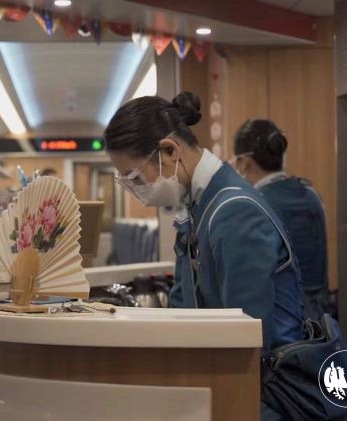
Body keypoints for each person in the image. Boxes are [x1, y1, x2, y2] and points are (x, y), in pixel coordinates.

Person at [104, 93, 305, 420]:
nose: (138, 192)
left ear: (170, 151)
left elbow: (248, 339)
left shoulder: (234, 211)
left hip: (265, 395)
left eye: (136, 178)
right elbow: (184, 300)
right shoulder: (201, 204)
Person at [232, 119, 330, 318]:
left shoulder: (253, 204)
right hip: (318, 318)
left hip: (279, 320)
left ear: (245, 161)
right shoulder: (312, 195)